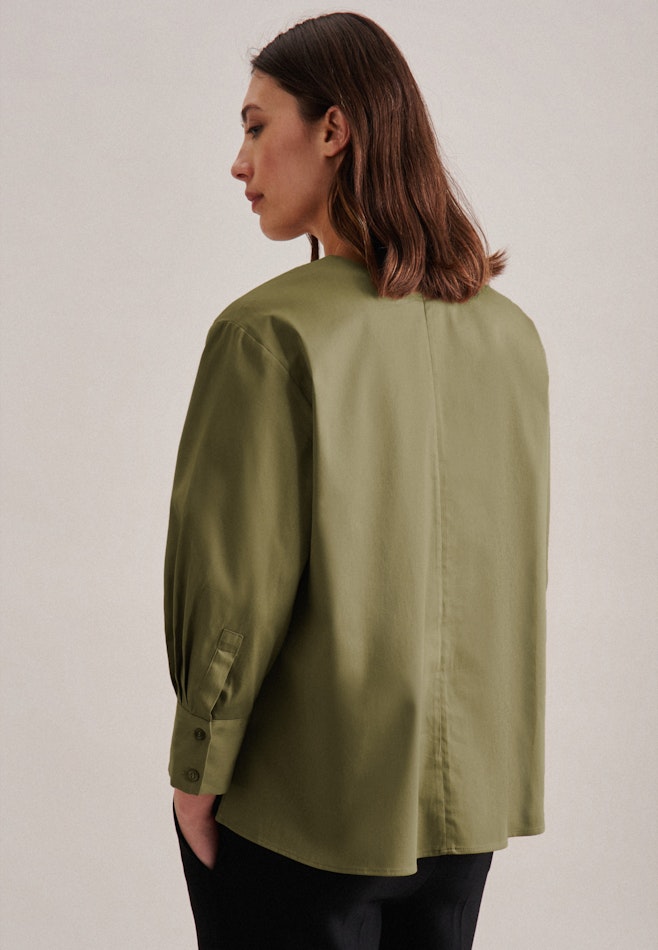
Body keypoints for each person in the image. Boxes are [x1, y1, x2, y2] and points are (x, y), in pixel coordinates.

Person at [164, 12, 550, 950]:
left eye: (257, 126)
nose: (239, 162)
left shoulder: (267, 333)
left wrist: (197, 774)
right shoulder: (510, 336)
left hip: (303, 809)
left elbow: (234, 592)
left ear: (334, 129)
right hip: (464, 815)